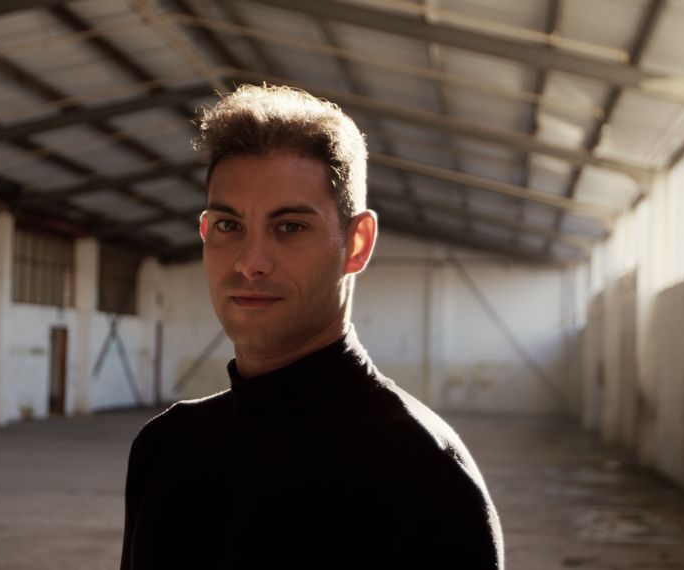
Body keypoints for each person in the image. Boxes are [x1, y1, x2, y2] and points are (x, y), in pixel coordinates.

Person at [119, 84, 503, 569]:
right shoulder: (167, 449)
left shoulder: (422, 471)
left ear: (357, 243)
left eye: (290, 227)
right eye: (229, 226)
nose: (250, 262)